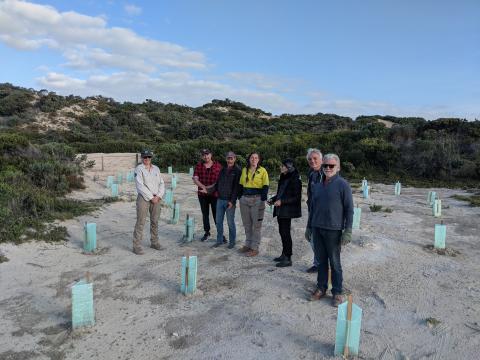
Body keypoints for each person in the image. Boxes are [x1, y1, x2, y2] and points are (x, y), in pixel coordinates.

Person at [308, 154, 353, 307]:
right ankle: (321, 288)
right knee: (320, 261)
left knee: (335, 263)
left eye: (331, 166)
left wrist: (348, 230)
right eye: (325, 165)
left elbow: (349, 210)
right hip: (317, 228)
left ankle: (338, 292)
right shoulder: (318, 186)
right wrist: (309, 227)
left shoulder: (343, 185)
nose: (327, 168)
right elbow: (313, 209)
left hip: (333, 230)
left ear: (338, 168)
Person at [268, 159, 302, 267]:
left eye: (283, 166)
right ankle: (284, 254)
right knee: (282, 232)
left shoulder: (295, 179)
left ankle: (288, 258)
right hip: (281, 210)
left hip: (287, 210)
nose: (281, 168)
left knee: (285, 233)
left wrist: (282, 201)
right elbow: (280, 193)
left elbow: (296, 197)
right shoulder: (283, 177)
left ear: (289, 167)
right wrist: (273, 199)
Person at [205, 151, 241, 249]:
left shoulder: (238, 171)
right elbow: (217, 184)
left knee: (230, 222)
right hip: (220, 200)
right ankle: (219, 240)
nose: (230, 160)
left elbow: (236, 188)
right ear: (226, 159)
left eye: (231, 158)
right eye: (228, 158)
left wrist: (232, 201)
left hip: (230, 201)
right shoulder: (223, 169)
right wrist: (208, 190)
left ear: (234, 159)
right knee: (218, 221)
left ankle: (232, 242)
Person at [132, 149, 165, 255]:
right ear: (142, 158)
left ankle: (154, 242)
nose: (147, 159)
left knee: (155, 221)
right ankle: (136, 246)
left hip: (156, 198)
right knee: (141, 222)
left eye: (149, 157)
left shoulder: (156, 169)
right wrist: (151, 197)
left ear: (151, 158)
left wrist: (159, 195)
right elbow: (140, 185)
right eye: (145, 157)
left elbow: (162, 183)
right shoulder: (139, 169)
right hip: (144, 198)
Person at [238, 152, 269, 257]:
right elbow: (241, 185)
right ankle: (248, 244)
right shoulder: (244, 170)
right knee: (247, 224)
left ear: (259, 159)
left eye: (256, 158)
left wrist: (262, 200)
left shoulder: (263, 171)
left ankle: (255, 248)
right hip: (244, 200)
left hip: (257, 200)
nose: (254, 159)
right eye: (252, 157)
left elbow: (265, 186)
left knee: (256, 226)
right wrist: (240, 197)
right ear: (249, 159)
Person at [192, 149, 222, 242]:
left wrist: (209, 188)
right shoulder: (199, 166)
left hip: (214, 194)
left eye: (207, 154)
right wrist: (203, 187)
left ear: (211, 154)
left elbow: (219, 180)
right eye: (204, 155)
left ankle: (220, 233)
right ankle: (207, 232)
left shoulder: (218, 165)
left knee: (216, 215)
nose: (206, 156)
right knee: (205, 214)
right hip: (202, 194)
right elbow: (195, 178)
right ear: (202, 156)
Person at [305, 148, 323, 273]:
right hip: (313, 211)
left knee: (323, 241)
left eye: (315, 158)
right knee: (313, 239)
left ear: (321, 160)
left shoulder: (326, 173)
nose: (312, 161)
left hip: (324, 214)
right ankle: (318, 263)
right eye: (310, 159)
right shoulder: (312, 173)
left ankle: (323, 265)